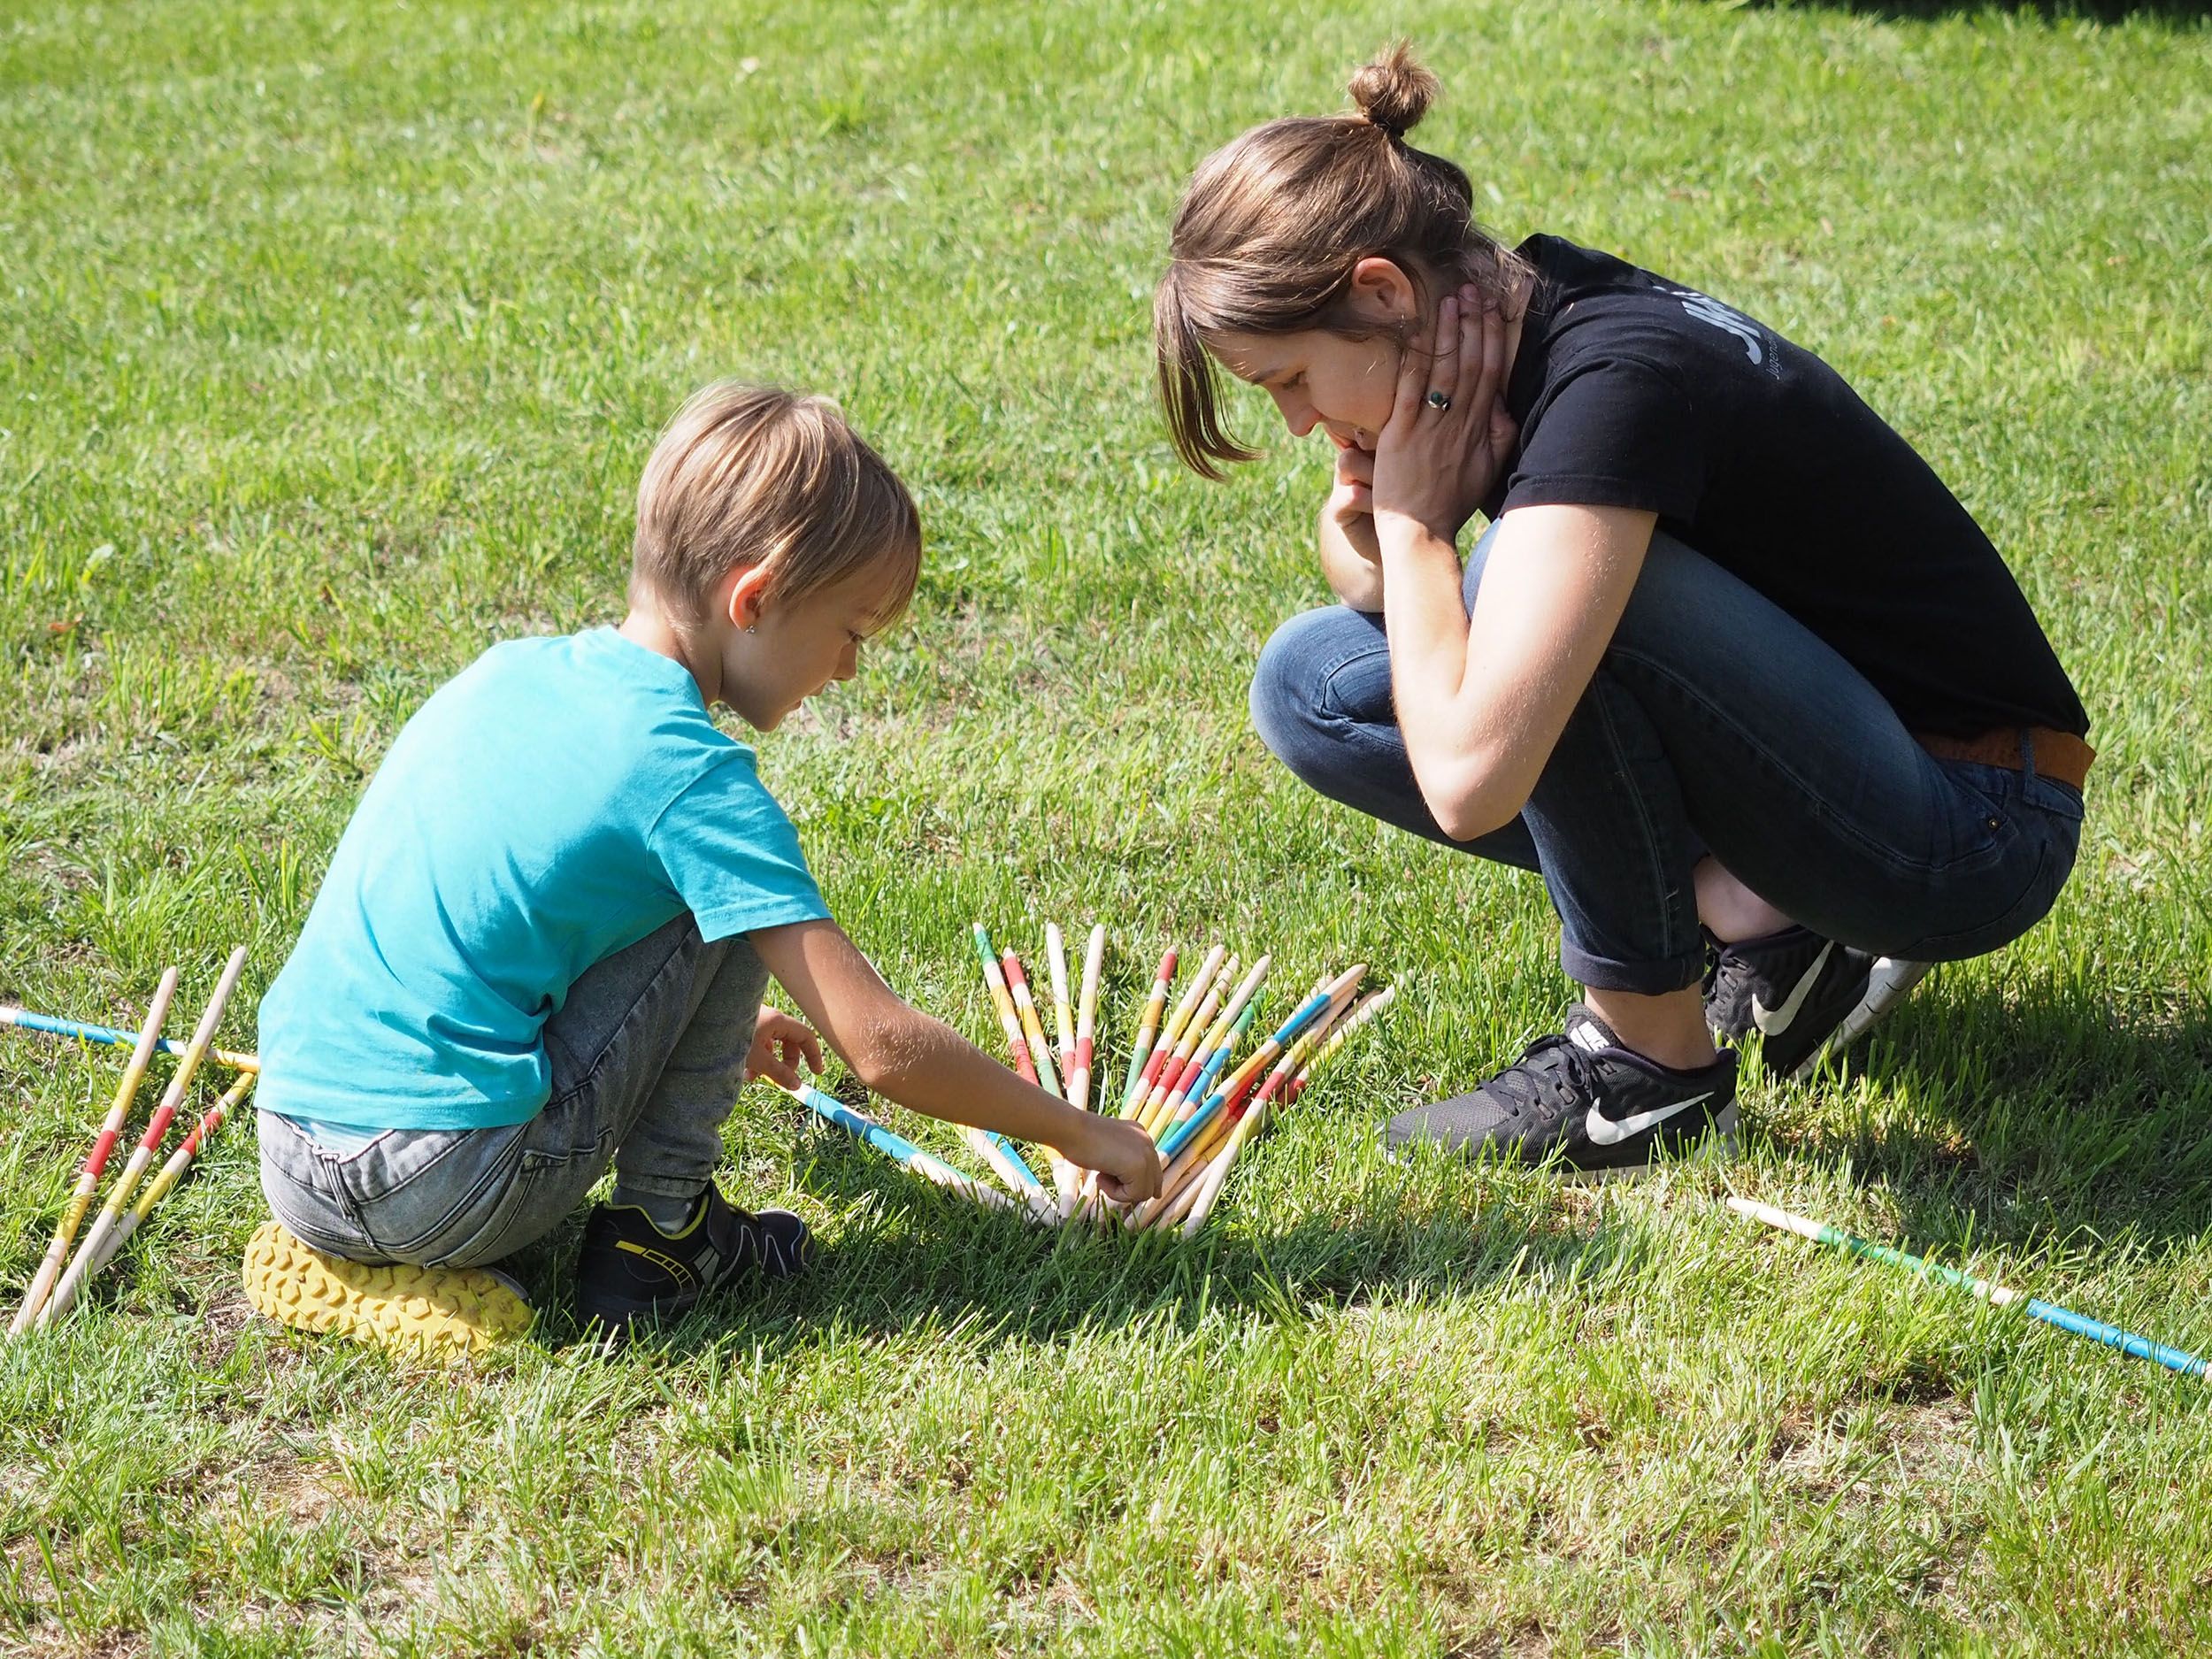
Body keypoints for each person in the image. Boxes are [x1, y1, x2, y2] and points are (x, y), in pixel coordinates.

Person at [1151, 44, 2090, 1177]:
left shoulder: (1611, 388)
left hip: (1968, 826)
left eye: (1288, 381)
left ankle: (1648, 1067)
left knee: (1514, 594)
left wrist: (1416, 529)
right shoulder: (1502, 324)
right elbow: (1375, 597)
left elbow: (1469, 781)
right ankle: (1770, 922)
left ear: (1383, 293)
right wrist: (1388, 534)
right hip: (1843, 769)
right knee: (1310, 682)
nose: (1299, 424)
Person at [242, 382, 1161, 1353]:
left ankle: (377, 1249)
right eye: (850, 634)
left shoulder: (508, 670)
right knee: (725, 888)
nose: (848, 670)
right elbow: (880, 1047)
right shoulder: (693, 780)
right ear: (754, 599)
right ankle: (663, 1234)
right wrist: (1080, 1131)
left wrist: (684, 1028)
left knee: (697, 882)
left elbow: (502, 917)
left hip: (293, 1147)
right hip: (439, 1185)